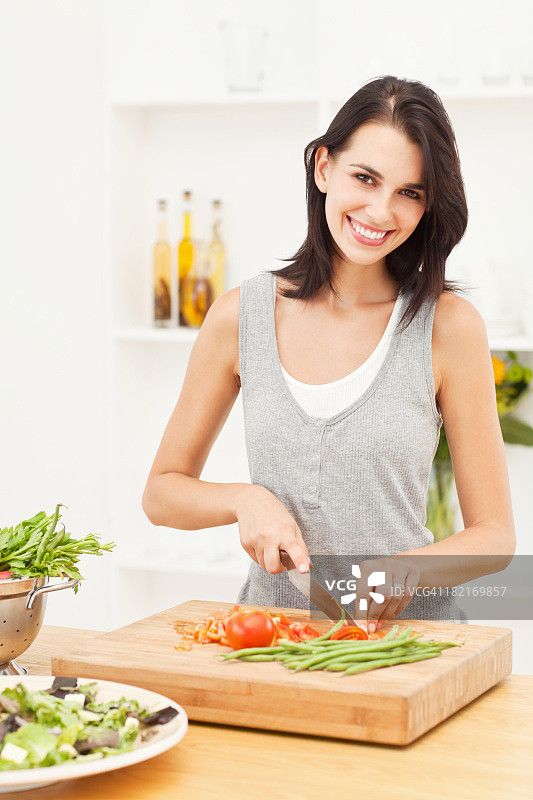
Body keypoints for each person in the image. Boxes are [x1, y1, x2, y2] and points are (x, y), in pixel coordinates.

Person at [142, 75, 516, 631]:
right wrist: (244, 499)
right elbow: (162, 492)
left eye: (409, 192)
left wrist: (402, 572)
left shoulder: (448, 326)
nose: (381, 212)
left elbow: (496, 537)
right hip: (273, 634)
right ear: (323, 168)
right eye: (364, 178)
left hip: (410, 643)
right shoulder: (240, 316)